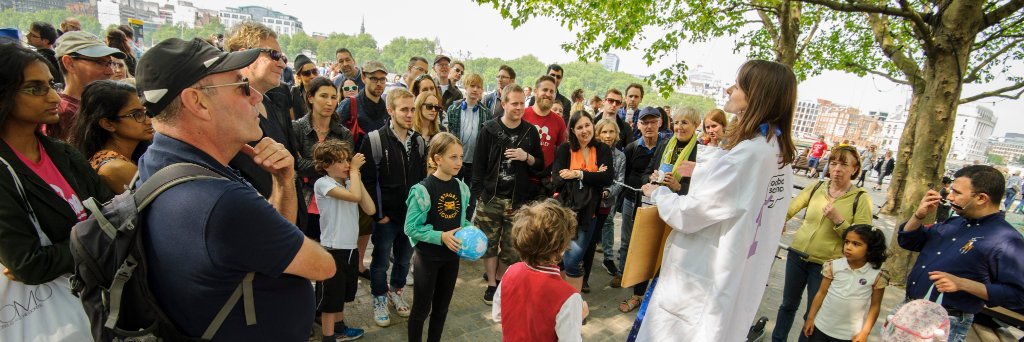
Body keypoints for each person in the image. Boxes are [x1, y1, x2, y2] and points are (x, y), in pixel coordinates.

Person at [134, 37, 335, 340]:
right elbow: (323, 266)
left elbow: (260, 241)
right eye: (241, 86)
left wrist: (282, 182)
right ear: (197, 102)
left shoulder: (159, 160)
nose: (255, 96)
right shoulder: (220, 203)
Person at [635, 60, 798, 341]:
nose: (729, 89)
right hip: (735, 277)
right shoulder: (776, 153)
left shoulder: (750, 155)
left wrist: (659, 193)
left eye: (738, 85)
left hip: (703, 279)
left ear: (756, 95)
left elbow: (690, 214)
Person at [0, 44, 112, 341]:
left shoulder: (63, 153)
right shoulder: (3, 170)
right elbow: (29, 264)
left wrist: (76, 245)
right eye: (34, 88)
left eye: (51, 84)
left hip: (94, 301)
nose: (52, 96)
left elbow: (115, 215)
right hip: (52, 317)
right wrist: (96, 239)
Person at [897, 165, 1024, 342]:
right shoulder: (955, 222)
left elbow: (1018, 296)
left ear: (981, 198)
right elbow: (908, 241)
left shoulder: (1006, 240)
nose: (949, 196)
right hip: (911, 310)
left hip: (945, 322)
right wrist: (918, 216)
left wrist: (963, 284)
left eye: (956, 193)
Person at [772, 145, 873, 342]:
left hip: (827, 265)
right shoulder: (817, 187)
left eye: (844, 164)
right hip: (797, 255)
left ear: (854, 169)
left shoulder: (861, 198)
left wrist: (839, 221)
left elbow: (863, 238)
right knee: (787, 305)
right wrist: (779, 221)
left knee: (813, 312)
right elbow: (789, 209)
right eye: (833, 163)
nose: (836, 169)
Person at [224, 21, 308, 234]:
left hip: (289, 224)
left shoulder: (275, 103)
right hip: (257, 234)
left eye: (284, 58)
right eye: (273, 55)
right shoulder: (222, 114)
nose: (282, 64)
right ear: (244, 55)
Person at [621, 107, 702, 313]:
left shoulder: (699, 153)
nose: (680, 127)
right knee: (645, 251)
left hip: (678, 214)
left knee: (668, 257)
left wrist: (677, 186)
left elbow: (699, 191)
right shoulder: (665, 144)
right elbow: (645, 173)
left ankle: (659, 301)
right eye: (677, 122)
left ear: (695, 126)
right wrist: (651, 178)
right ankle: (637, 295)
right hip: (654, 208)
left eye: (686, 123)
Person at [360, 88, 428, 327]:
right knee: (380, 261)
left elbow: (422, 181)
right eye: (404, 109)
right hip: (386, 217)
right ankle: (379, 297)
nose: (409, 114)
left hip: (410, 218)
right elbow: (368, 182)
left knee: (403, 260)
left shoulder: (418, 141)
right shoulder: (374, 140)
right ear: (390, 110)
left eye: (412, 109)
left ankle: (395, 290)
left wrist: (420, 215)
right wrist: (378, 215)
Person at [472, 84, 543, 305]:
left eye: (522, 103)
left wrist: (526, 157)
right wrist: (479, 196)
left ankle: (503, 280)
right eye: (514, 103)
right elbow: (478, 165)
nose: (519, 108)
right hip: (491, 199)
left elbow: (540, 165)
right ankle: (492, 284)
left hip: (517, 201)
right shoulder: (489, 129)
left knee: (512, 248)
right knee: (488, 245)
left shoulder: (530, 132)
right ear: (503, 104)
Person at [404, 132, 471, 342]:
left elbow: (462, 221)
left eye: (461, 157)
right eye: (453, 157)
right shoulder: (423, 190)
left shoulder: (461, 188)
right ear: (437, 158)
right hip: (427, 258)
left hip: (452, 259)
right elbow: (411, 228)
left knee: (442, 309)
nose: (459, 162)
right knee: (421, 310)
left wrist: (472, 233)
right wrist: (440, 236)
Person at [491, 199, 586, 342]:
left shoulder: (510, 271)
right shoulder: (569, 296)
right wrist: (578, 316)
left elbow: (498, 315)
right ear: (561, 248)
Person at [312, 139, 373, 342]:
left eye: (348, 160)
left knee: (343, 294)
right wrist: (354, 173)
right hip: (333, 250)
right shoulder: (323, 184)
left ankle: (340, 328)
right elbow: (355, 197)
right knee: (330, 298)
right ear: (326, 165)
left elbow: (370, 209)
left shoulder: (349, 183)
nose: (347, 164)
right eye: (341, 161)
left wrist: (355, 178)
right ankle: (328, 337)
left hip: (349, 248)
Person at [552, 111, 614, 292]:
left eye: (587, 125)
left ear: (593, 125)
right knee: (560, 257)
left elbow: (607, 178)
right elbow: (557, 179)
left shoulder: (602, 149)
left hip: (590, 212)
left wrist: (577, 174)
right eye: (579, 127)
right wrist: (594, 175)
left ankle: (574, 300)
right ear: (573, 130)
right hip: (566, 211)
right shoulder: (565, 149)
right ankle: (563, 295)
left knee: (573, 259)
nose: (584, 130)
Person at [802, 225, 888, 342]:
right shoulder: (834, 266)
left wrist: (865, 332)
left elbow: (875, 306)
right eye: (847, 242)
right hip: (821, 327)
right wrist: (810, 318)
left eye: (856, 244)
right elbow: (821, 293)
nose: (848, 247)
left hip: (848, 335)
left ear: (870, 249)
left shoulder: (877, 275)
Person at [610, 107, 663, 295]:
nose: (649, 126)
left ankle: (640, 277)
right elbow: (626, 174)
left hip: (653, 204)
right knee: (626, 239)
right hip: (631, 199)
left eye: (653, 122)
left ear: (660, 123)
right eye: (645, 122)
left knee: (647, 242)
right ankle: (622, 272)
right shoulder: (632, 147)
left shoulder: (664, 147)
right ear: (638, 125)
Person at [293, 76, 354, 240]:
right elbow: (295, 165)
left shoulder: (343, 133)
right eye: (324, 96)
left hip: (335, 204)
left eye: (333, 97)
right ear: (311, 97)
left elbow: (344, 171)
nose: (329, 102)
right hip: (304, 203)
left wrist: (308, 166)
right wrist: (332, 165)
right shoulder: (297, 128)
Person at [68, 80, 152, 193]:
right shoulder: (116, 168)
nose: (148, 120)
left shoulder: (125, 158)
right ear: (108, 124)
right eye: (137, 114)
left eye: (145, 111)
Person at [47, 31, 126, 140]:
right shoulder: (62, 114)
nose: (110, 72)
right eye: (99, 62)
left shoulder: (98, 104)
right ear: (69, 63)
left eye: (109, 63)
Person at [587, 118, 625, 291]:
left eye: (612, 132)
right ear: (598, 133)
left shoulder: (620, 156)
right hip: (588, 200)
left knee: (601, 230)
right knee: (586, 234)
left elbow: (619, 181)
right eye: (604, 132)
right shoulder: (590, 151)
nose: (608, 136)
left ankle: (605, 260)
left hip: (606, 201)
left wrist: (608, 192)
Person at [444, 73, 489, 217]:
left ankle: (467, 223)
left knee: (471, 198)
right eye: (472, 86)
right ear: (465, 87)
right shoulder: (453, 109)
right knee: (452, 194)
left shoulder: (485, 113)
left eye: (478, 87)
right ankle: (451, 220)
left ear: (482, 90)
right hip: (455, 160)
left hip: (475, 162)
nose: (475, 90)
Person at [523, 75, 568, 197]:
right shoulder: (523, 114)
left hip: (544, 183)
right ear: (536, 91)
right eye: (545, 90)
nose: (548, 94)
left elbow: (562, 151)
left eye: (552, 91)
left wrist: (555, 176)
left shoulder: (559, 121)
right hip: (520, 177)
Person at [337, 61, 390, 146]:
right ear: (363, 78)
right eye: (374, 79)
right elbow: (333, 138)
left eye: (382, 79)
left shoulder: (387, 108)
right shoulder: (349, 104)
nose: (379, 83)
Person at [26, 21, 63, 86]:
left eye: (33, 35)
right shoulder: (56, 54)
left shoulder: (39, 59)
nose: (27, 36)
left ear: (45, 41)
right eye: (29, 33)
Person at [290, 54, 319, 119]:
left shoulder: (326, 90)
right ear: (299, 77)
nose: (312, 76)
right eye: (307, 73)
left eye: (314, 71)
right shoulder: (293, 94)